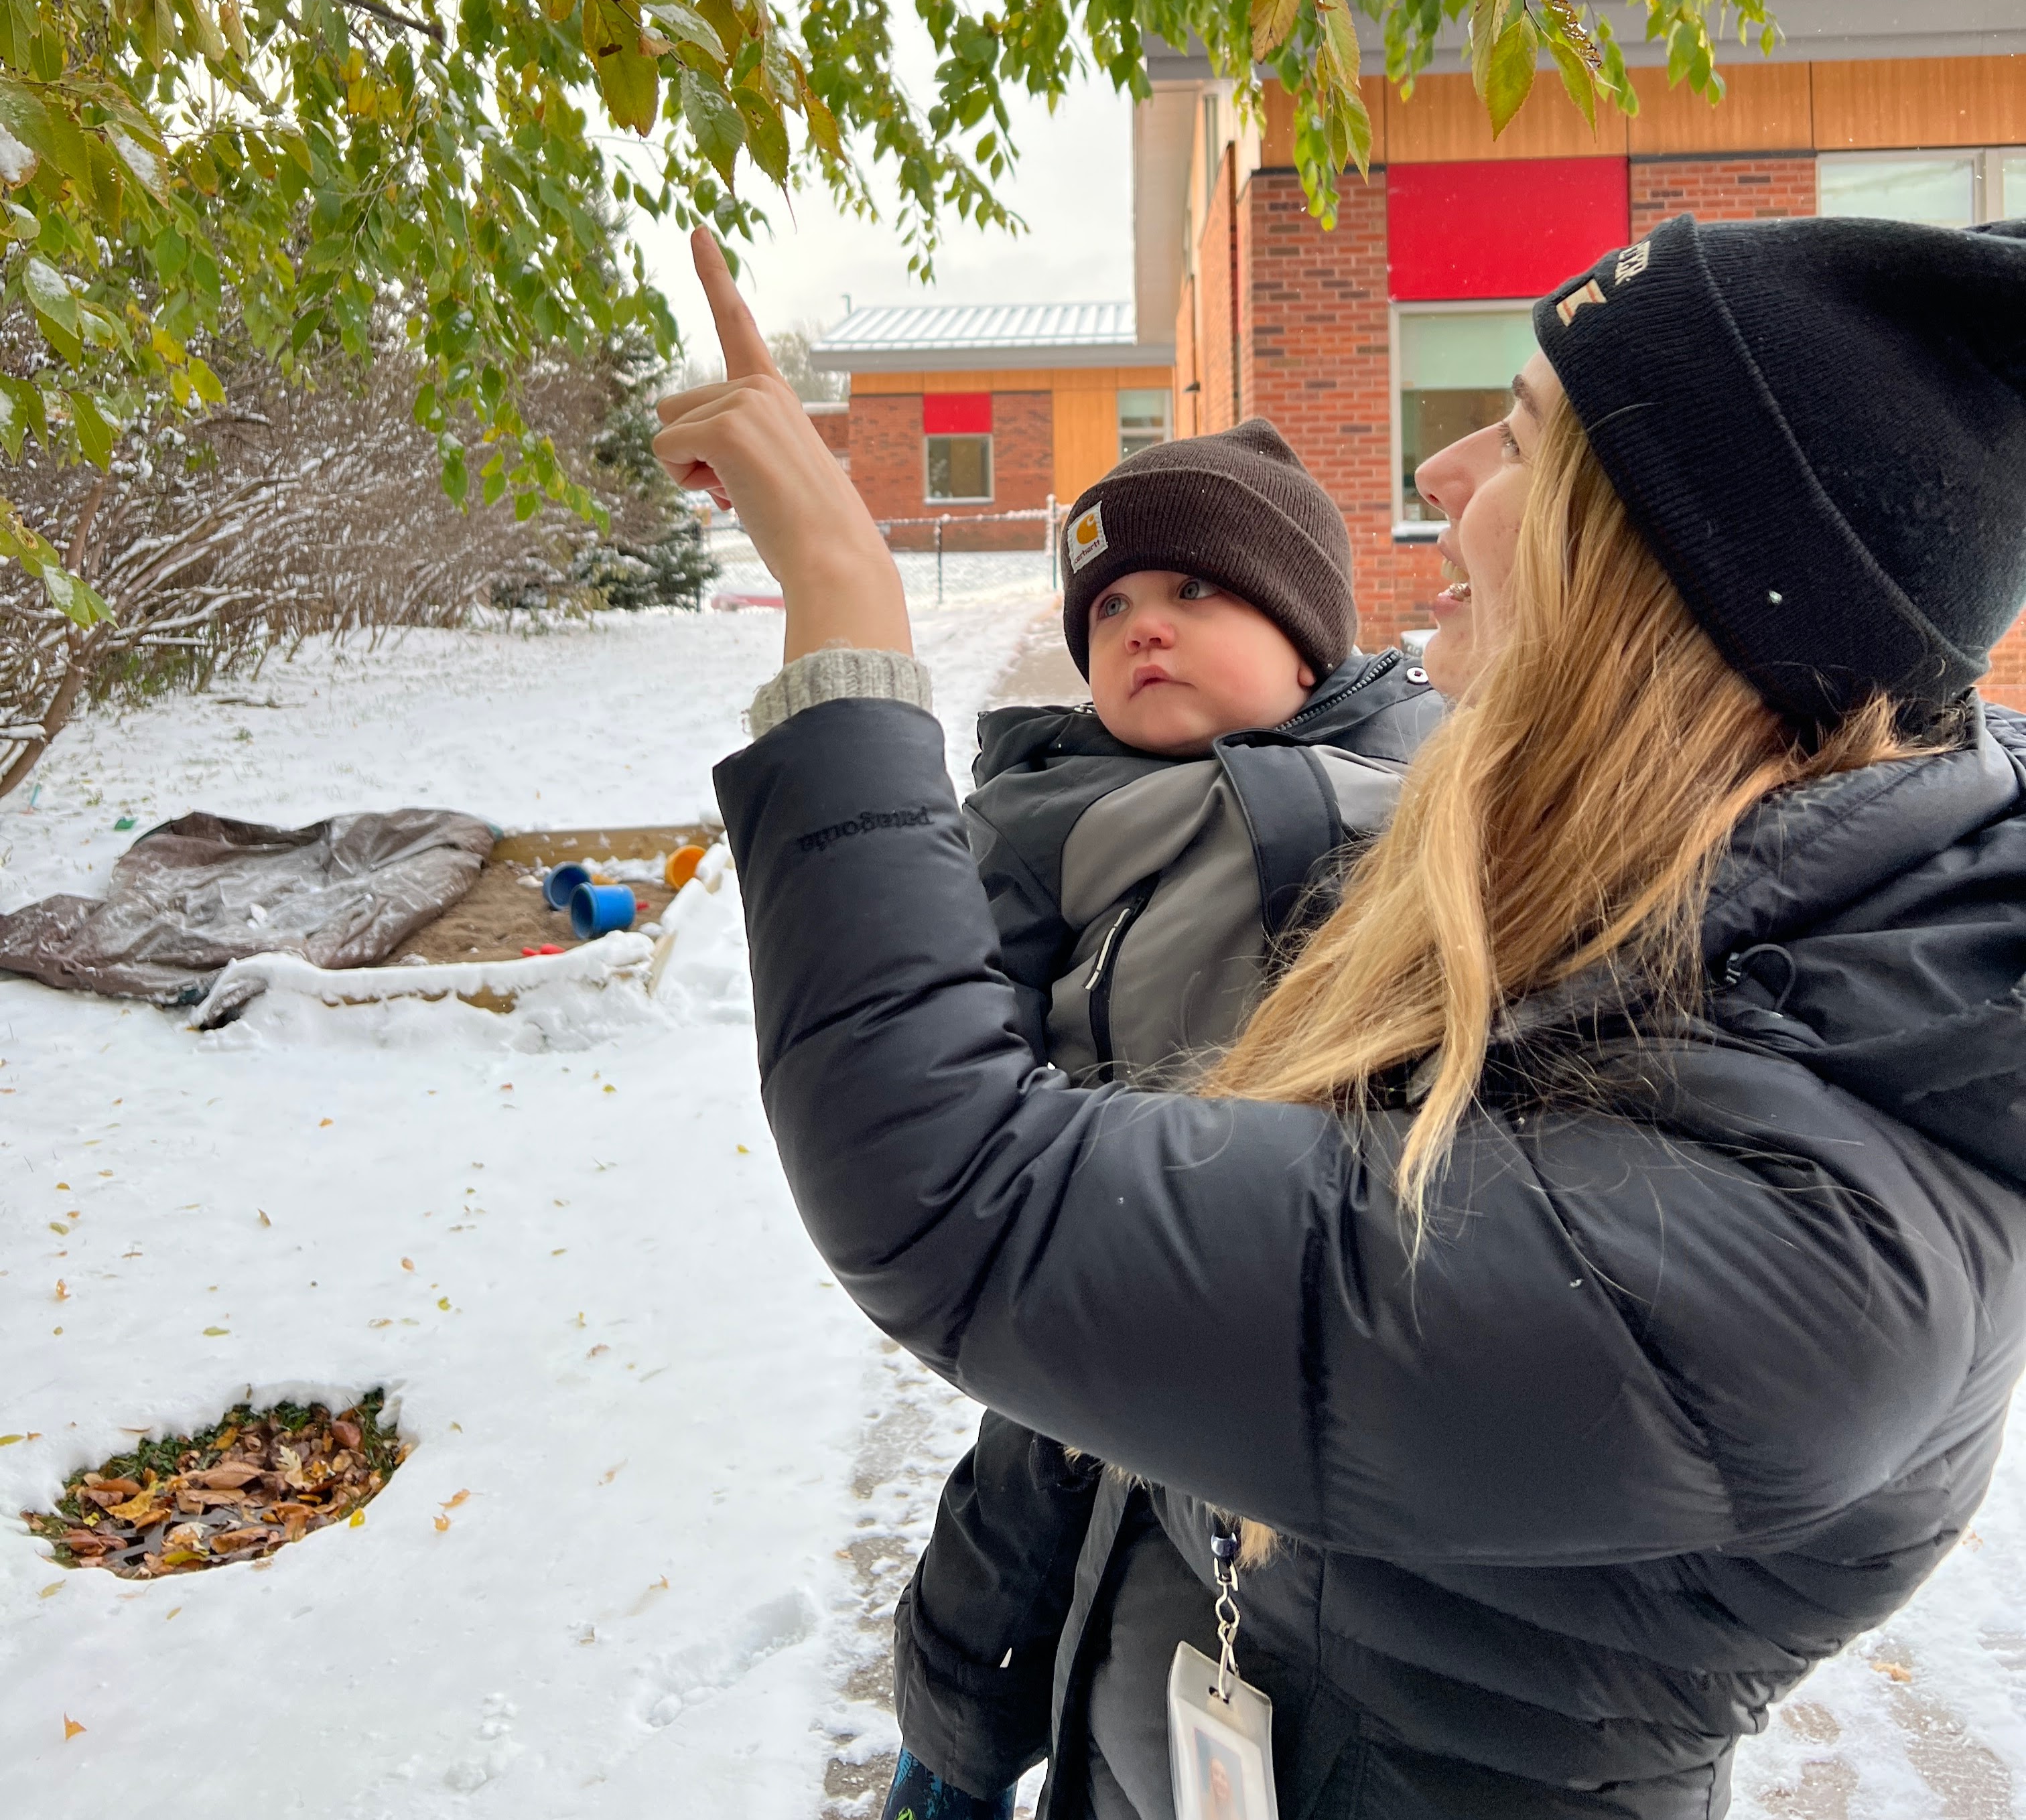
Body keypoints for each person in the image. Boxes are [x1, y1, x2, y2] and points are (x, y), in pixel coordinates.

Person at [656, 212, 2026, 1819]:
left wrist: (842, 605)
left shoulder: (1811, 1257)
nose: (1439, 473)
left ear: (1665, 562)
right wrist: (970, 1714)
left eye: (1514, 436)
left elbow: (967, 1190)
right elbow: (1117, 1401)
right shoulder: (1581, 922)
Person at [882, 425, 1444, 1820]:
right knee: (1014, 1530)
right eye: (1112, 609)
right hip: (1097, 1259)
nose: (1142, 629)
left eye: (1195, 592)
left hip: (1343, 1292)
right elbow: (956, 1044)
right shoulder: (1037, 813)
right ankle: (942, 1766)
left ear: (1308, 637)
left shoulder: (1436, 788)